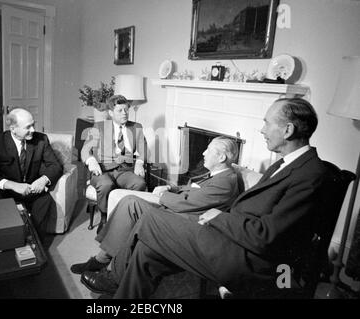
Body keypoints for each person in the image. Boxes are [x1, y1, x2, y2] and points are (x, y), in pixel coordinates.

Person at [80, 97, 329, 298]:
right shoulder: (285, 165)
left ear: (287, 130)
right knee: (148, 246)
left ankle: (112, 274)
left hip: (245, 257)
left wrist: (220, 218)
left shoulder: (310, 173)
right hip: (231, 236)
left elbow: (267, 236)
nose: (262, 129)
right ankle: (120, 287)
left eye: (267, 123)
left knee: (150, 219)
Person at [71, 136, 242, 276]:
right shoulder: (219, 175)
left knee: (131, 204)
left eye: (209, 150)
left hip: (182, 220)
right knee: (129, 201)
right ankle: (104, 258)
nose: (204, 152)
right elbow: (193, 190)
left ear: (221, 157)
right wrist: (170, 186)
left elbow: (190, 203)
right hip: (177, 209)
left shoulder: (226, 181)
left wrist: (162, 195)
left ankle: (103, 263)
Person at [0, 108, 63, 247]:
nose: (33, 130)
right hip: (5, 192)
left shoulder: (41, 140)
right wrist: (12, 185)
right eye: (28, 127)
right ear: (13, 128)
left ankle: (35, 244)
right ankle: (8, 243)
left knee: (45, 200)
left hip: (30, 189)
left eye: (33, 124)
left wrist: (43, 179)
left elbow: (55, 166)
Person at [81, 95, 146, 231]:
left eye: (126, 110)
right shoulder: (98, 127)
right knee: (105, 185)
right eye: (120, 110)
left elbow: (143, 149)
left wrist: (140, 162)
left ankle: (124, 217)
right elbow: (85, 150)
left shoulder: (136, 127)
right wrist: (91, 161)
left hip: (125, 170)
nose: (124, 113)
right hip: (102, 170)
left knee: (139, 183)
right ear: (110, 113)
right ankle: (105, 217)